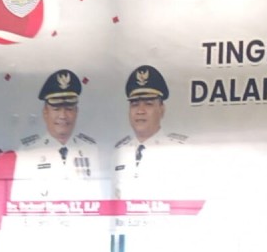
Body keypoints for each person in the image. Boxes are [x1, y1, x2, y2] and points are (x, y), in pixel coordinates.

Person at [11, 68, 99, 201]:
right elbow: (19, 204)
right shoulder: (28, 152)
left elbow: (99, 200)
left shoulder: (90, 150)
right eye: (56, 109)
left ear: (76, 112)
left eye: (69, 108)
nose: (63, 115)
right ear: (45, 112)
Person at [113, 64, 187, 199]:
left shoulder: (180, 151)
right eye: (134, 104)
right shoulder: (119, 151)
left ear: (162, 109)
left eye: (148, 104)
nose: (140, 111)